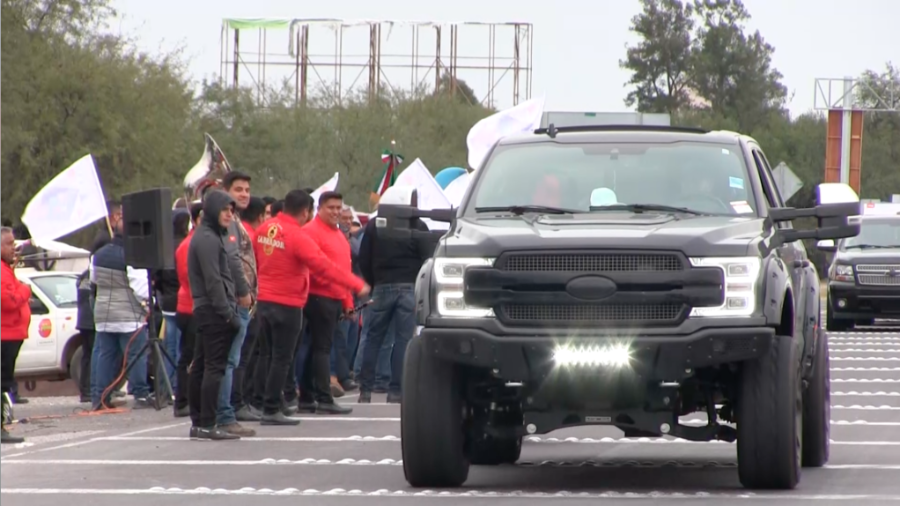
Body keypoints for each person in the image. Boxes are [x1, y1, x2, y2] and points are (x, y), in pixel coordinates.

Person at [255, 189, 370, 424]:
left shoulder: (265, 229)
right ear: (307, 211)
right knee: (282, 357)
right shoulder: (298, 236)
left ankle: (270, 402)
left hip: (265, 300)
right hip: (287, 302)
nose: (337, 212)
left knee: (269, 355)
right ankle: (270, 408)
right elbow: (323, 266)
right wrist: (356, 284)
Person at [357, 186, 432, 404]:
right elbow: (427, 258)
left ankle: (365, 389)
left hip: (381, 286)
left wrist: (373, 281)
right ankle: (396, 390)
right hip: (409, 287)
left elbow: (364, 257)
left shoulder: (374, 226)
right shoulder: (418, 225)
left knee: (373, 337)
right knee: (403, 340)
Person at [300, 191, 361, 415]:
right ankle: (323, 397)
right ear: (319, 209)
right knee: (321, 349)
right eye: (331, 208)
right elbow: (311, 268)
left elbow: (344, 270)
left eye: (338, 207)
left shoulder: (339, 235)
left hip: (335, 297)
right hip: (318, 297)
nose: (336, 212)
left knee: (318, 348)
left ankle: (307, 397)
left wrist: (347, 301)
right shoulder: (310, 232)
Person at [187, 190, 242, 441]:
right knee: (213, 367)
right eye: (225, 209)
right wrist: (228, 314)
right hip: (213, 310)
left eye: (231, 210)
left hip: (207, 309)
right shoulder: (208, 238)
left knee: (202, 366)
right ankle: (207, 423)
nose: (229, 214)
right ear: (211, 211)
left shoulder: (208, 236)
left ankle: (200, 422)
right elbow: (213, 281)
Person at [90, 214, 152, 411]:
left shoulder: (97, 255)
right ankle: (141, 394)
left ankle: (100, 398)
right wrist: (151, 302)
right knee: (135, 355)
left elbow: (93, 280)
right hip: (128, 316)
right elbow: (141, 288)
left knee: (105, 355)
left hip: (103, 314)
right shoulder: (133, 257)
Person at [216, 172, 257, 437]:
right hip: (234, 300)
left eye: (246, 190)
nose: (244, 194)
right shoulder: (229, 222)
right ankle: (225, 415)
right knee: (228, 361)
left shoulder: (236, 220)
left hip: (241, 300)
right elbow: (232, 259)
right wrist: (243, 291)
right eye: (238, 189)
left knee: (231, 360)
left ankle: (224, 412)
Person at [232, 196, 267, 422]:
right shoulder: (244, 234)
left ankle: (241, 400)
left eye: (247, 190)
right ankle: (237, 402)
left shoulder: (246, 232)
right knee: (241, 358)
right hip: (243, 301)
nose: (243, 194)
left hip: (250, 299)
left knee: (245, 357)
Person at [155, 209, 191, 399]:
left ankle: (164, 387)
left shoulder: (165, 248)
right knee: (181, 347)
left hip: (167, 302)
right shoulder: (186, 246)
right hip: (183, 301)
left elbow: (157, 278)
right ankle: (178, 387)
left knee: (169, 347)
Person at [173, 203, 202, 418]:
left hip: (192, 305)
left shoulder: (195, 242)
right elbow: (189, 278)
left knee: (191, 355)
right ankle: (183, 400)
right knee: (190, 357)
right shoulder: (189, 245)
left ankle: (187, 399)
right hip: (191, 307)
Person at [1, 227, 30, 443]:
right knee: (2, 382)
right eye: (9, 244)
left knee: (5, 381)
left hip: (12, 334)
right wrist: (25, 290)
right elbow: (9, 300)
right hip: (5, 334)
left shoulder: (6, 268)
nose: (14, 247)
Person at [75, 268, 98, 404]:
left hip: (84, 320)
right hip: (90, 320)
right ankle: (88, 390)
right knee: (91, 355)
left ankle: (87, 390)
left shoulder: (84, 275)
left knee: (87, 355)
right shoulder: (92, 275)